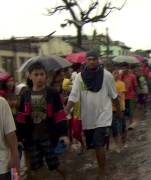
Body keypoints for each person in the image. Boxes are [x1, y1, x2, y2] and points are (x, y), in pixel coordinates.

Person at [65, 50, 121, 178]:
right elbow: (73, 96)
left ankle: (103, 172)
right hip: (88, 117)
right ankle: (100, 164)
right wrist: (66, 110)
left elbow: (114, 96)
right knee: (92, 146)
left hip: (103, 115)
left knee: (98, 143)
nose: (91, 62)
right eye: (89, 59)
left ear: (98, 60)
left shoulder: (107, 76)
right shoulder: (79, 77)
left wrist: (118, 113)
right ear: (85, 61)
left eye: (94, 59)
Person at [16, 62, 69, 180]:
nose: (39, 77)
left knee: (55, 164)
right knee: (37, 166)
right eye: (36, 74)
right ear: (30, 76)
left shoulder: (52, 93)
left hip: (49, 136)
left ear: (46, 76)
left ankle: (67, 177)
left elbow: (59, 115)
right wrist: (19, 138)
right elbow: (21, 118)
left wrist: (64, 134)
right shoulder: (25, 95)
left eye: (42, 74)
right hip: (31, 138)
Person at [0, 97, 19, 180]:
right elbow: (10, 133)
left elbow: (10, 133)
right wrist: (15, 154)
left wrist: (14, 155)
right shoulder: (1, 102)